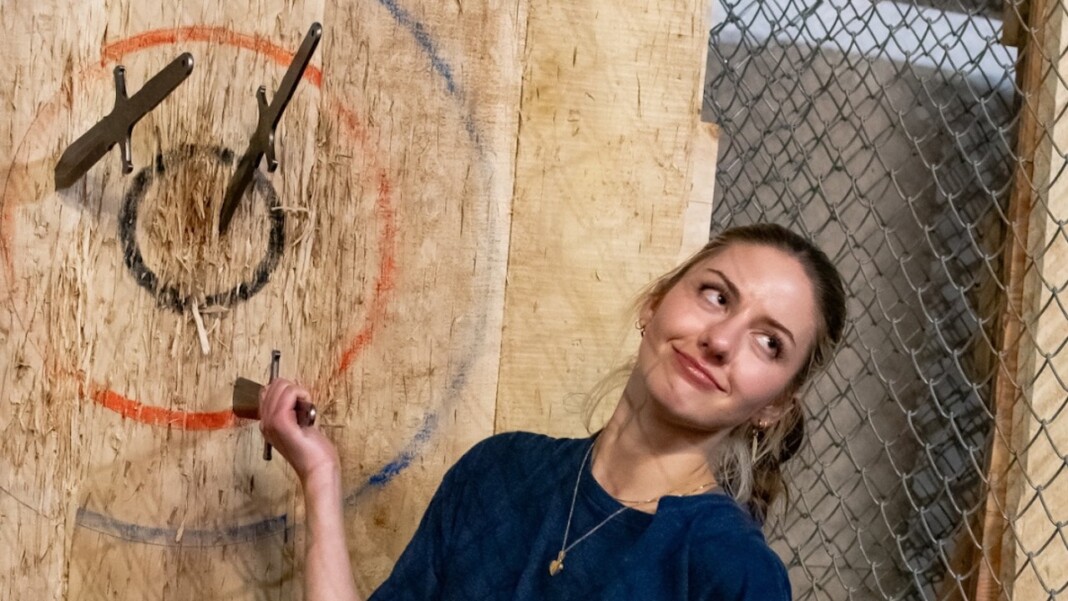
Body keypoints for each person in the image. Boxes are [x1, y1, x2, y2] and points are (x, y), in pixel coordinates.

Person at [259, 223, 847, 600]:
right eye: (716, 296)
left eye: (768, 342)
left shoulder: (731, 572)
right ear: (655, 303)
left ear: (773, 406)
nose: (721, 339)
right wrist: (320, 476)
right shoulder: (499, 472)